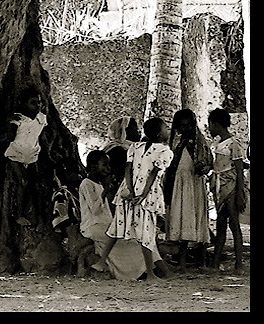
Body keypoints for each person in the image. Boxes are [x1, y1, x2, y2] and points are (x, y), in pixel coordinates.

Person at [96, 117, 173, 282]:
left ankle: (101, 261)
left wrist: (130, 190)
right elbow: (153, 174)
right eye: (166, 127)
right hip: (146, 195)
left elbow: (128, 169)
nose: (168, 130)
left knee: (118, 226)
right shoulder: (165, 151)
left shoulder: (133, 147)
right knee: (147, 233)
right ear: (160, 134)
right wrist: (142, 195)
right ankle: (151, 274)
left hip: (127, 192)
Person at [79, 149, 166, 280]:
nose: (108, 168)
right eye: (104, 165)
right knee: (134, 240)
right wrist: (106, 191)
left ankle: (153, 269)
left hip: (106, 224)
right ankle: (145, 271)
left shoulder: (100, 184)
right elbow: (95, 210)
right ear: (93, 167)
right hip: (93, 226)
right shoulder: (86, 184)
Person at [164, 108, 213, 269]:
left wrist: (204, 168)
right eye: (181, 126)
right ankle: (182, 261)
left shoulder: (200, 142)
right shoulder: (174, 143)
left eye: (188, 126)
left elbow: (208, 162)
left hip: (194, 184)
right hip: (178, 185)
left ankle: (203, 260)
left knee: (197, 218)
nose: (185, 129)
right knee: (182, 218)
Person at [207, 108, 247, 271]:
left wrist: (239, 194)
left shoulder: (233, 144)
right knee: (221, 224)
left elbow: (238, 171)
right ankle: (215, 263)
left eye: (210, 125)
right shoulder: (217, 143)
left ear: (216, 124)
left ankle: (239, 263)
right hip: (219, 188)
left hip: (230, 187)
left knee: (234, 224)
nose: (209, 128)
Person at [4, 86, 48, 227]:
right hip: (15, 155)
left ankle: (40, 217)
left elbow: (41, 136)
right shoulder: (18, 120)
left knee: (36, 184)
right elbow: (10, 138)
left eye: (39, 102)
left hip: (32, 155)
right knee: (22, 182)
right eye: (33, 102)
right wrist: (8, 123)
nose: (38, 105)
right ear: (24, 104)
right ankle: (18, 215)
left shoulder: (41, 118)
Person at [102, 116, 141, 200]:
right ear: (124, 131)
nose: (139, 132)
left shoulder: (127, 148)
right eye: (135, 129)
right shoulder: (117, 150)